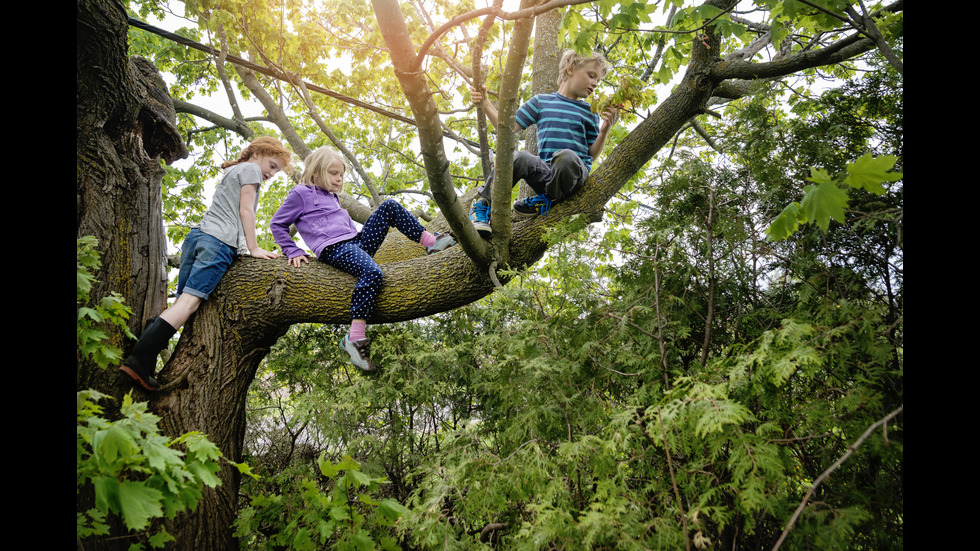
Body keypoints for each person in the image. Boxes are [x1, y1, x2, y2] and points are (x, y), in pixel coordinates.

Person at [120, 137, 291, 391]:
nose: (272, 173)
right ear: (258, 153)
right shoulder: (252, 170)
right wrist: (252, 249)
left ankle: (144, 358)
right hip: (218, 242)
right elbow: (246, 211)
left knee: (180, 304)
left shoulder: (233, 170)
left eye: (277, 171)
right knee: (189, 304)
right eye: (273, 165)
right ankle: (138, 360)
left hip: (197, 237)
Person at [270, 147, 456, 371]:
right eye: (333, 173)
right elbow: (277, 224)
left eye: (341, 174)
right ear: (316, 171)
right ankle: (355, 338)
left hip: (355, 242)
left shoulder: (332, 197)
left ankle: (431, 242)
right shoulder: (300, 193)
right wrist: (292, 250)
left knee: (389, 206)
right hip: (334, 249)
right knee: (373, 273)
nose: (339, 179)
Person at [469, 50, 619, 235]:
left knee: (566, 157)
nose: (595, 83)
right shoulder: (541, 102)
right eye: (591, 75)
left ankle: (547, 198)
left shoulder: (589, 111)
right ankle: (482, 205)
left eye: (598, 80)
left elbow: (591, 154)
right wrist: (485, 103)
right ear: (571, 69)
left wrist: (604, 130)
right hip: (547, 176)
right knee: (518, 157)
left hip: (574, 176)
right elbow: (506, 128)